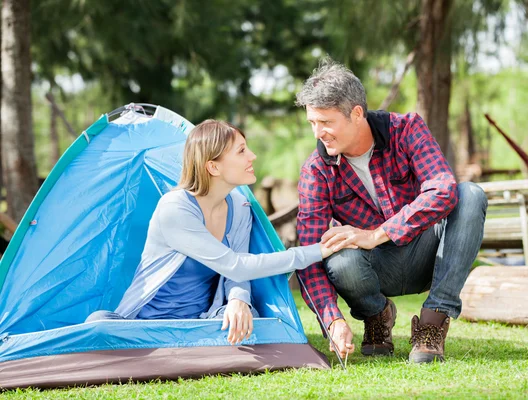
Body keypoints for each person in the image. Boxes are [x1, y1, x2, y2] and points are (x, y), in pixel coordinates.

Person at [294, 58, 488, 363]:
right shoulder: (316, 171)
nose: (318, 132)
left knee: (470, 194)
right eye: (312, 123)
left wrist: (377, 234)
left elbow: (443, 188)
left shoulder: (407, 129)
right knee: (337, 255)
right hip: (374, 269)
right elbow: (308, 253)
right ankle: (377, 316)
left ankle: (432, 322)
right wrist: (332, 319)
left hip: (428, 255)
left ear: (356, 113)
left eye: (326, 122)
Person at [86, 120, 345, 345]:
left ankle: (193, 343)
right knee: (97, 325)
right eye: (241, 151)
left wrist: (238, 300)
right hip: (147, 326)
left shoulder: (240, 209)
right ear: (213, 167)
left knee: (245, 319)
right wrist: (317, 251)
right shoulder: (175, 209)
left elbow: (237, 274)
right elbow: (237, 265)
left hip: (203, 322)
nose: (252, 156)